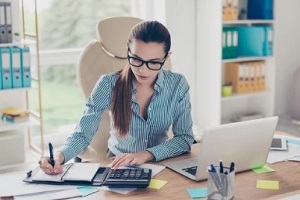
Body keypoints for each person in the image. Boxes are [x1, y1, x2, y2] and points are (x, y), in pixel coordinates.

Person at [39, 20, 195, 174]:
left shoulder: (177, 84)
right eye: (136, 59)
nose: (142, 70)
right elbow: (82, 134)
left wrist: (144, 155)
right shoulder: (108, 84)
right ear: (127, 51)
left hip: (160, 165)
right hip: (118, 167)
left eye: (153, 63)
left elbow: (184, 138)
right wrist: (59, 157)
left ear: (166, 57)